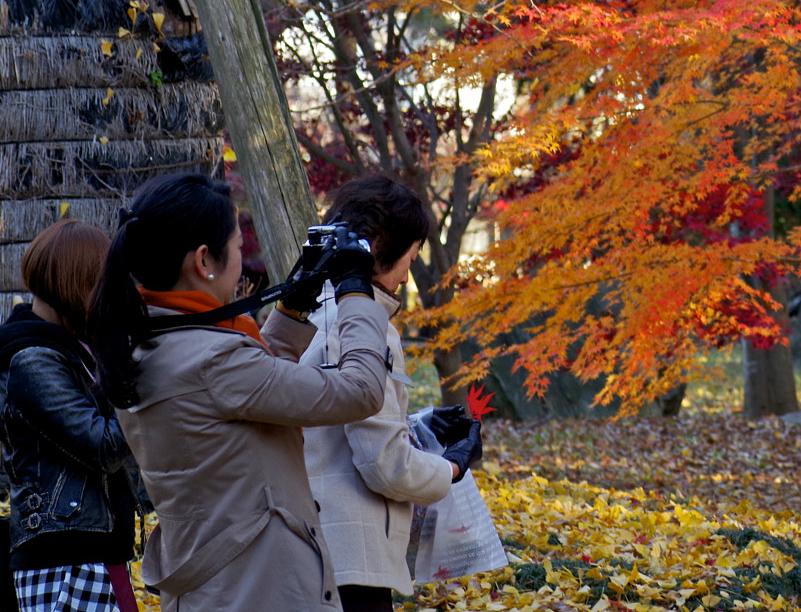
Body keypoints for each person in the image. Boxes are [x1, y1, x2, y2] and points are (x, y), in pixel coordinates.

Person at [88, 174, 390, 612]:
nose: (241, 260)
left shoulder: (148, 343)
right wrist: (359, 292)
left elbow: (256, 391)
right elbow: (360, 391)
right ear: (204, 260)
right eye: (238, 247)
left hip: (219, 585)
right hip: (261, 587)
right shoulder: (212, 360)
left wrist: (295, 303)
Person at [302, 176, 482, 612]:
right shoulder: (366, 330)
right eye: (411, 258)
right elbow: (383, 464)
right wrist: (452, 467)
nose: (407, 276)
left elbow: (331, 429)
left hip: (309, 548)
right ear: (380, 248)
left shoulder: (307, 316)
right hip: (352, 556)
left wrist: (416, 424)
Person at [0, 221, 139, 612]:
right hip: (66, 560)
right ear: (78, 285)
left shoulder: (67, 348)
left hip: (87, 550)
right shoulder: (31, 357)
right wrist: (135, 368)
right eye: (104, 284)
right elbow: (106, 446)